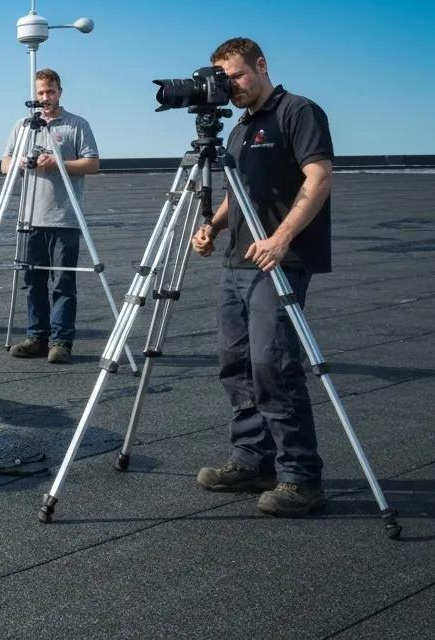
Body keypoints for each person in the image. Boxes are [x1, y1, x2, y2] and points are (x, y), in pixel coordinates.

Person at [189, 37, 334, 518]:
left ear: (261, 65)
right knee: (236, 364)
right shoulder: (239, 129)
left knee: (274, 365)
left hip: (279, 261)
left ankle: (300, 477)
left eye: (236, 75)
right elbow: (238, 193)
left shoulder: (297, 111)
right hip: (237, 262)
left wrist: (281, 237)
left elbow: (319, 178)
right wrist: (213, 227)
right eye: (223, 79)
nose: (230, 86)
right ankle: (253, 459)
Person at [1, 69, 101, 364]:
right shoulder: (23, 126)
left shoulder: (76, 124)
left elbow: (92, 164)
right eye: (41, 92)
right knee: (32, 281)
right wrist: (21, 162)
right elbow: (5, 163)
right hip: (30, 218)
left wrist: (57, 163)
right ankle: (37, 337)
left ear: (60, 91)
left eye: (51, 91)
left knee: (63, 283)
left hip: (65, 217)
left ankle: (61, 341)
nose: (46, 97)